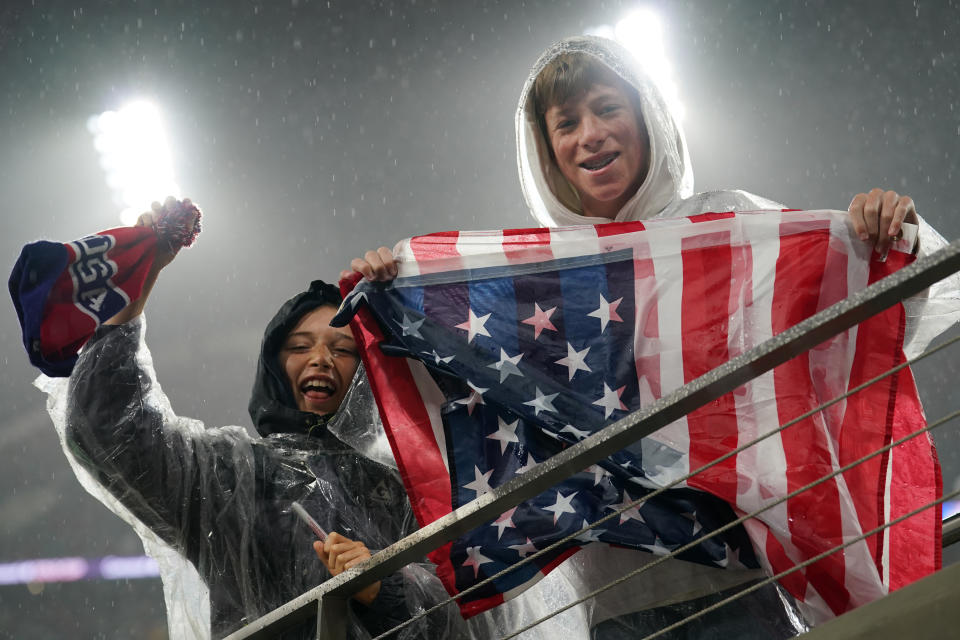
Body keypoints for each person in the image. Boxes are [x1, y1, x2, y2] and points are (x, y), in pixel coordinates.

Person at [342, 35, 960, 639]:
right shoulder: (529, 279)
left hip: (738, 593)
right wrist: (394, 288)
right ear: (545, 151)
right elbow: (455, 394)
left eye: (608, 108)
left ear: (649, 119)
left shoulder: (724, 226)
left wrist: (885, 234)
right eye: (566, 122)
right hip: (615, 613)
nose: (591, 134)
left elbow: (860, 316)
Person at [39, 204, 457, 639]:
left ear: (367, 374)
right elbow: (110, 430)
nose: (320, 359)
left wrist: (384, 586)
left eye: (343, 349)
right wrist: (134, 290)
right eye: (300, 346)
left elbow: (471, 616)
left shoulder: (407, 488)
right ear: (274, 367)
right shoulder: (231, 475)